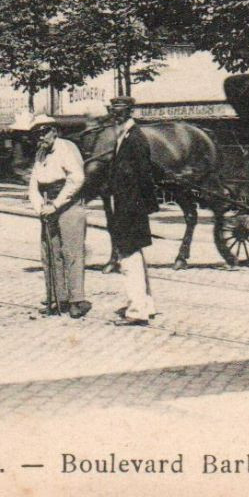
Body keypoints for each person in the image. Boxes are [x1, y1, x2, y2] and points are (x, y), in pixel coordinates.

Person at [27, 114, 89, 319]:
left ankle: (76, 301)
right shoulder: (40, 154)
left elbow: (76, 179)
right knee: (50, 253)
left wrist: (56, 204)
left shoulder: (67, 148)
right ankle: (57, 298)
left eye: (44, 132)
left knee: (71, 252)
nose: (41, 137)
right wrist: (39, 206)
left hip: (68, 205)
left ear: (55, 131)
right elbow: (33, 184)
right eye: (37, 134)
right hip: (47, 206)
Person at [106, 97, 159, 326]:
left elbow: (144, 175)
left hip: (130, 206)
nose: (114, 115)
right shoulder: (125, 136)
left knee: (128, 258)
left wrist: (140, 206)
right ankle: (146, 304)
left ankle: (137, 310)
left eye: (118, 112)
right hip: (129, 205)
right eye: (113, 111)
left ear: (128, 112)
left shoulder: (134, 138)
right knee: (135, 255)